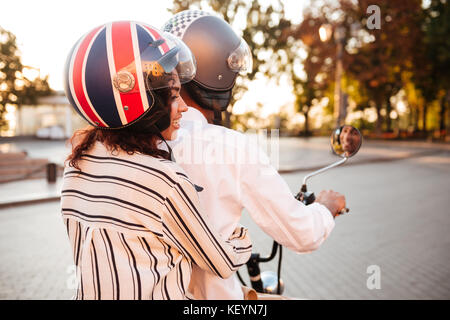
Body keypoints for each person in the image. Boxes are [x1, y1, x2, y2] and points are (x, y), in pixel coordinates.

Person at [61, 21, 252, 300]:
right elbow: (220, 262)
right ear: (138, 102)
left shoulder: (76, 166)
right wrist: (240, 237)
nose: (184, 107)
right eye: (174, 95)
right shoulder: (164, 180)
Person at [163, 11, 346, 299]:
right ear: (218, 70)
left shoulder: (140, 141)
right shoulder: (230, 146)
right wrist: (325, 207)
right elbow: (302, 234)